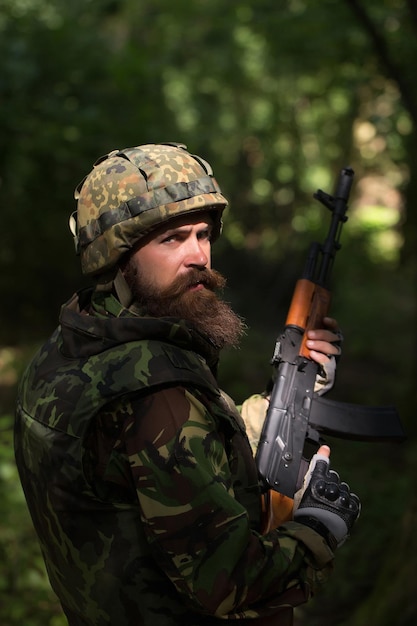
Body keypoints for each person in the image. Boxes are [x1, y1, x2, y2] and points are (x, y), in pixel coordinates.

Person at [14, 143, 360, 626]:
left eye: (203, 234)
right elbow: (230, 583)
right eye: (172, 239)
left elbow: (178, 458)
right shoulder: (156, 392)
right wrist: (319, 526)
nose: (199, 255)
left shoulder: (71, 344)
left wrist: (291, 397)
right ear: (117, 255)